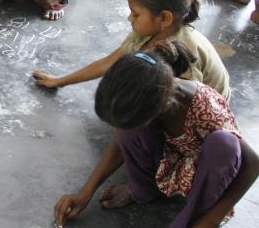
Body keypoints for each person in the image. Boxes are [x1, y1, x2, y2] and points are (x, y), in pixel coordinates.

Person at [53, 42, 258, 228]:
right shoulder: (152, 93)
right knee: (126, 129)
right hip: (173, 157)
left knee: (224, 145)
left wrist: (210, 219)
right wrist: (85, 192)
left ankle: (191, 218)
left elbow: (253, 163)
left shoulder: (206, 110)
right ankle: (143, 189)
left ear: (160, 108)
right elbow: (119, 146)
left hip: (206, 170)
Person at [33, 0, 230, 100]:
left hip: (203, 114)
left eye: (136, 14)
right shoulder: (146, 33)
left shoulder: (185, 49)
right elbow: (108, 63)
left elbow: (191, 101)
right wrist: (60, 81)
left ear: (165, 18)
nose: (130, 18)